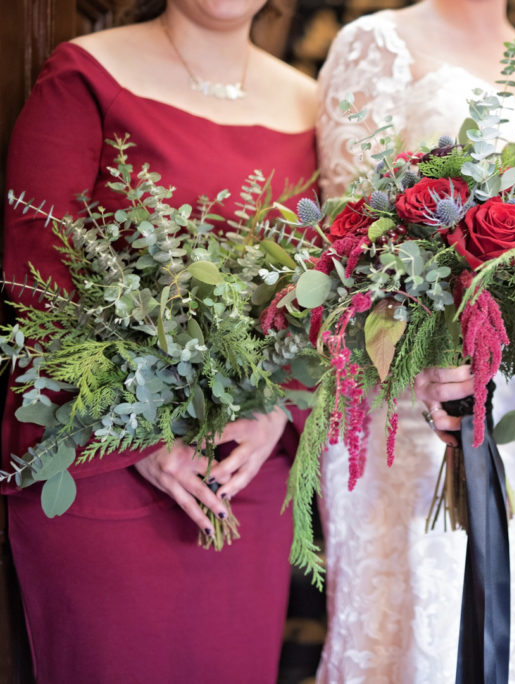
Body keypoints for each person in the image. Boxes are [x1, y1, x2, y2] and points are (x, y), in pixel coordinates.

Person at [1, 1, 317, 682]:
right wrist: (141, 438)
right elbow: (37, 279)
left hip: (246, 472)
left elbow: (322, 288)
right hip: (105, 465)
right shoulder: (86, 76)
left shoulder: (311, 102)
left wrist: (277, 409)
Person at [314, 1, 515, 681]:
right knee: (419, 636)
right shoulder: (377, 42)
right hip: (417, 409)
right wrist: (427, 350)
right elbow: (348, 243)